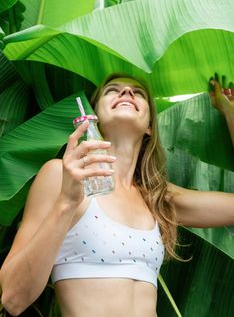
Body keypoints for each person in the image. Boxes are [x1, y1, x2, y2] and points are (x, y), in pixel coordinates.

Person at [0, 73, 233, 317]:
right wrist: (67, 202)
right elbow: (14, 299)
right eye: (113, 90)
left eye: (138, 93)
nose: (127, 93)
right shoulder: (60, 176)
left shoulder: (156, 197)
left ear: (150, 127)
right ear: (94, 117)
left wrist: (229, 112)